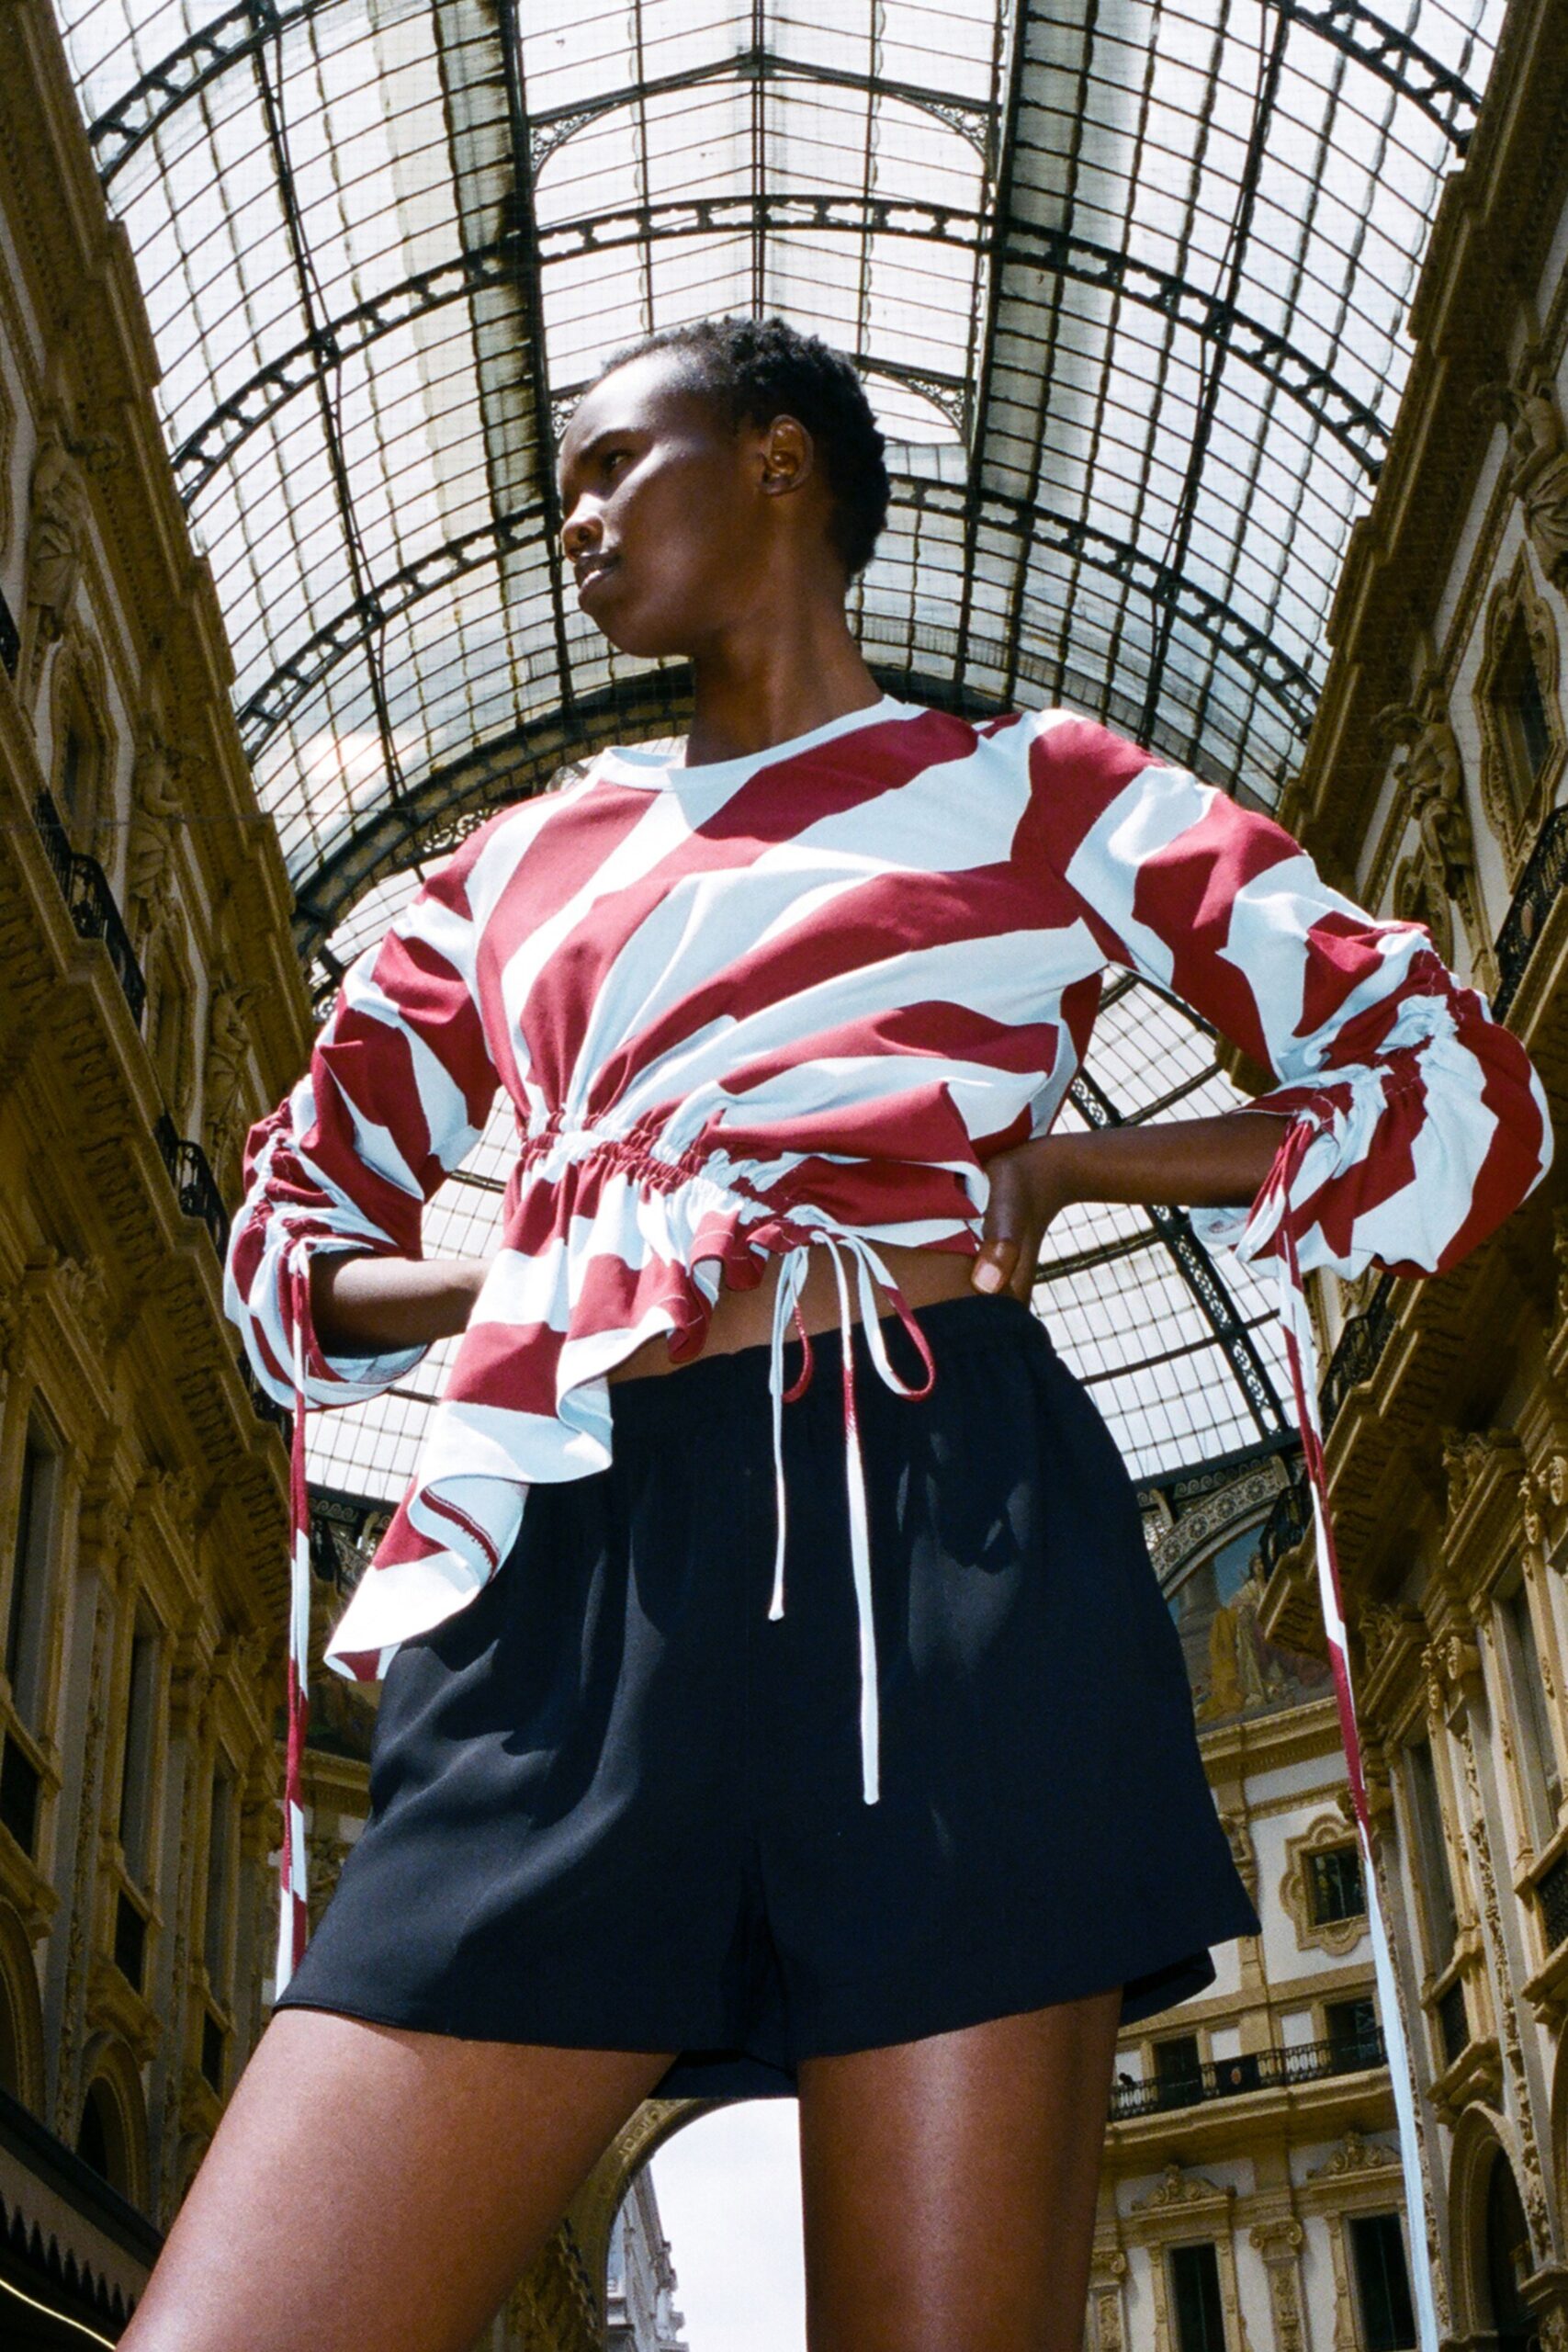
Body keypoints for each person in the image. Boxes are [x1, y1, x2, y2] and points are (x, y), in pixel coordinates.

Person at [127, 318, 1551, 2352]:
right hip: (568, 1585)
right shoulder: (506, 870)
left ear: (781, 461)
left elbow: (1448, 1093)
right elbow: (285, 1252)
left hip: (946, 1547)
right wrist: (541, 1269)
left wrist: (1073, 1174)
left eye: (618, 465)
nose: (578, 525)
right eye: (558, 498)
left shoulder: (1038, 791)